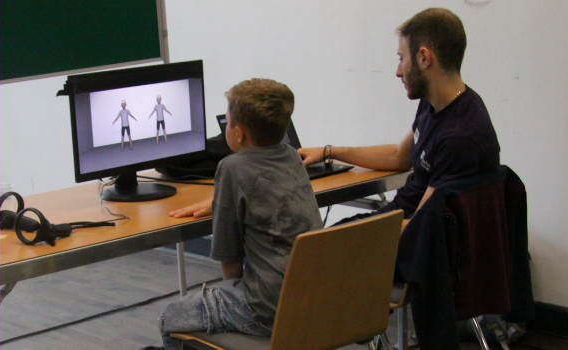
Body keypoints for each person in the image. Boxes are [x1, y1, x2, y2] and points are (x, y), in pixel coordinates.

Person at [150, 78, 323, 350]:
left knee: (170, 316)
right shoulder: (291, 155)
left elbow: (230, 258)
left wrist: (229, 298)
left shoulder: (232, 168)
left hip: (265, 309)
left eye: (228, 122)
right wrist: (221, 200)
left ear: (239, 133)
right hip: (311, 299)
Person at [298, 8, 501, 225]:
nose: (398, 71)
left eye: (401, 58)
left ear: (424, 57)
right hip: (398, 219)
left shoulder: (459, 138)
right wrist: (329, 152)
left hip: (408, 238)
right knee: (319, 242)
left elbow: (419, 229)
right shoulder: (435, 103)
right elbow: (399, 156)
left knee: (314, 249)